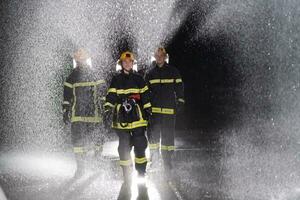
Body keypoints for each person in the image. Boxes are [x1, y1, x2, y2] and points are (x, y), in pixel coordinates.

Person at [104, 51, 152, 183]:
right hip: (122, 118)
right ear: (121, 64)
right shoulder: (116, 79)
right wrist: (108, 107)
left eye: (129, 61)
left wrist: (148, 110)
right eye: (124, 62)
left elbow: (145, 95)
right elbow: (111, 95)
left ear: (132, 63)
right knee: (124, 147)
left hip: (137, 117)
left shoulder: (139, 78)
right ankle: (126, 174)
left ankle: (141, 172)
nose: (127, 63)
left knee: (140, 144)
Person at [63, 48, 106, 177]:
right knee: (77, 143)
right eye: (78, 59)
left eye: (82, 59)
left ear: (85, 59)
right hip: (78, 116)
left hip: (94, 114)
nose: (80, 61)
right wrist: (65, 110)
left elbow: (102, 92)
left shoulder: (95, 74)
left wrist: (105, 107)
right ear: (76, 60)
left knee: (98, 140)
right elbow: (67, 97)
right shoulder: (71, 77)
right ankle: (81, 168)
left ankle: (97, 162)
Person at [145, 47, 185, 177]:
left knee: (168, 139)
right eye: (157, 55)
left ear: (165, 56)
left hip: (168, 111)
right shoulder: (150, 74)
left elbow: (179, 87)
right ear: (155, 57)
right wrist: (147, 107)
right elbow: (145, 92)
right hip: (155, 112)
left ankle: (167, 162)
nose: (159, 57)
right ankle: (155, 161)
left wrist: (180, 101)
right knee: (154, 138)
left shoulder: (174, 71)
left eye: (161, 55)